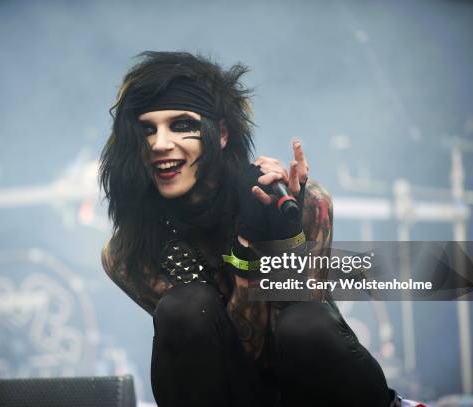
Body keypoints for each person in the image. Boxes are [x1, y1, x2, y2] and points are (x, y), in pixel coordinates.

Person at [100, 51, 395, 407]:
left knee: (305, 324)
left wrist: (280, 238)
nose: (160, 144)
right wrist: (245, 255)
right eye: (147, 129)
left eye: (180, 125)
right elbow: (226, 355)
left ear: (221, 133)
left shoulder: (304, 203)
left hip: (313, 389)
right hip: (234, 394)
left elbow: (299, 331)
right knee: (186, 309)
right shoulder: (128, 252)